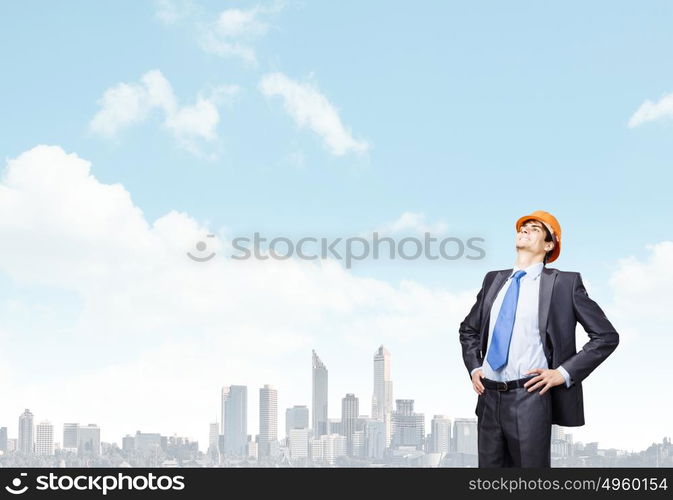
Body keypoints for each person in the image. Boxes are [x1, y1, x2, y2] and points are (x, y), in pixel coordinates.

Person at [459, 210, 619, 467]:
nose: (524, 230)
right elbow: (469, 329)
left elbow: (606, 336)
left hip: (529, 397)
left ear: (549, 244)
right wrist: (474, 367)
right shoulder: (493, 280)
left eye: (534, 228)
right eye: (523, 227)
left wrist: (563, 373)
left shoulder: (564, 284)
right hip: (488, 399)